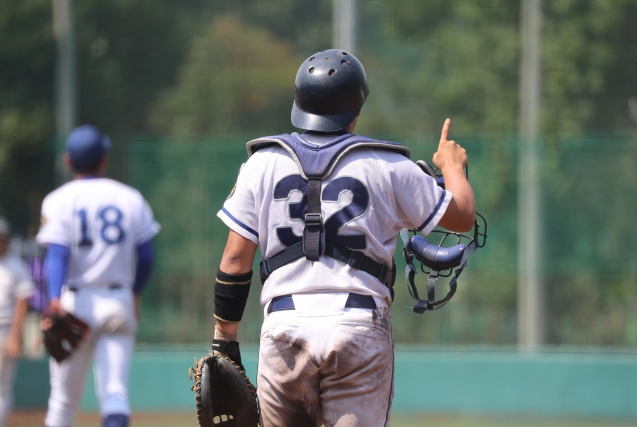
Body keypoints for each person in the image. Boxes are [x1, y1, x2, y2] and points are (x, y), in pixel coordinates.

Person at [211, 49, 476, 426]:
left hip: (284, 326)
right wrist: (452, 167)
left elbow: (235, 261)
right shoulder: (388, 165)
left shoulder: (261, 164)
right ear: (357, 111)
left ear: (298, 104)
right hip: (358, 325)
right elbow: (463, 216)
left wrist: (225, 340)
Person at [36, 125, 160, 427]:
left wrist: (53, 298)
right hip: (118, 300)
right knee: (115, 393)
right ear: (104, 159)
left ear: (68, 162)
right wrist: (134, 292)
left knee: (63, 400)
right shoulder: (130, 197)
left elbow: (58, 254)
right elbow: (146, 257)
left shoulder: (58, 199)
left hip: (74, 302)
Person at [0, 218, 34, 426]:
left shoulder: (14, 265)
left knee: (2, 387)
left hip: (4, 328)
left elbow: (23, 301)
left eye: (2, 239)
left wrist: (15, 336)